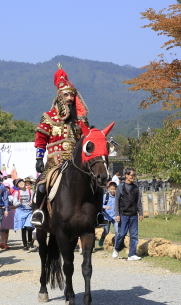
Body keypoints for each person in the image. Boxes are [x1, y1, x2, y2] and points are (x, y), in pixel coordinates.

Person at [31, 65, 90, 227]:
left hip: (75, 162)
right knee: (41, 186)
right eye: (66, 95)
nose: (70, 98)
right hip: (54, 162)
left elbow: (86, 139)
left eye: (72, 95)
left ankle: (97, 215)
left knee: (94, 185)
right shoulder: (48, 117)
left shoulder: (80, 120)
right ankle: (39, 213)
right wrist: (39, 158)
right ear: (59, 97)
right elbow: (41, 139)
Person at [112, 168, 144, 261]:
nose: (133, 177)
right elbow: (116, 202)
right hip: (123, 215)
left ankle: (132, 254)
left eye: (134, 175)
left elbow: (139, 201)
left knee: (134, 235)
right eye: (132, 175)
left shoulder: (136, 188)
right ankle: (117, 249)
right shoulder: (120, 187)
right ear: (126, 175)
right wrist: (117, 214)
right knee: (121, 234)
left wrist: (140, 213)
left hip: (133, 215)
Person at [11, 178, 35, 251]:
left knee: (29, 227)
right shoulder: (16, 193)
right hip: (20, 211)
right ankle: (25, 245)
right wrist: (20, 202)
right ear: (17, 186)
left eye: (21, 181)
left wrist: (32, 202)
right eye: (19, 183)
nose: (21, 183)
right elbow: (15, 204)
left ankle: (30, 241)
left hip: (29, 211)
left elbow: (34, 200)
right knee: (23, 229)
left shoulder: (30, 191)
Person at [100, 181, 118, 247]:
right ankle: (102, 238)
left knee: (117, 231)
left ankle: (116, 245)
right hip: (107, 217)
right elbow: (100, 204)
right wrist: (105, 207)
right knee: (106, 231)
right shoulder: (106, 196)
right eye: (111, 189)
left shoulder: (117, 196)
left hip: (115, 217)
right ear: (108, 189)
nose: (113, 191)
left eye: (114, 189)